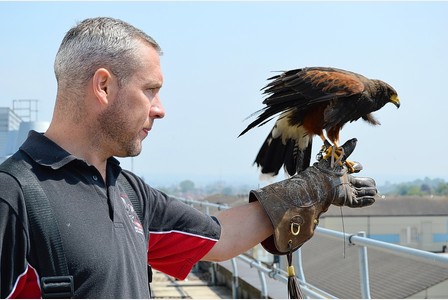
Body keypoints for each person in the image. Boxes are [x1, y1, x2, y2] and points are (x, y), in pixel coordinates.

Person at [0, 17, 377, 299]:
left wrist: (308, 190)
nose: (160, 109)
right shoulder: (12, 199)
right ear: (103, 86)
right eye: (150, 90)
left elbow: (221, 237)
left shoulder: (130, 193)